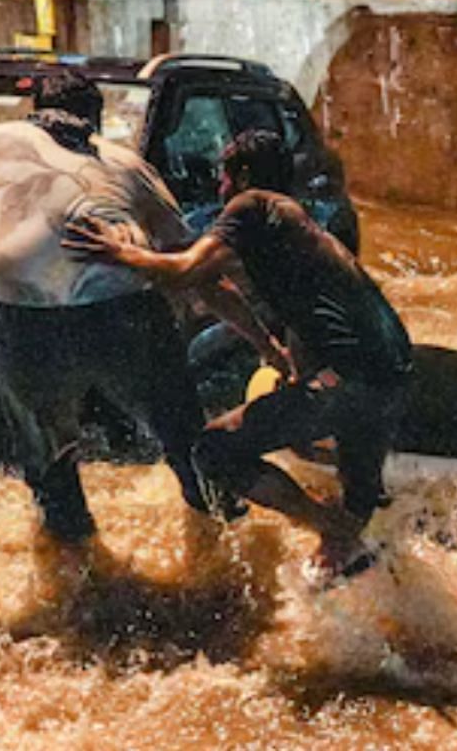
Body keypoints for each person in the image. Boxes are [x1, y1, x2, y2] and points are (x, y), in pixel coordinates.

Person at [0, 70, 226, 545]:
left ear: (35, 110)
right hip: (125, 313)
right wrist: (264, 342)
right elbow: (193, 266)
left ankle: (77, 580)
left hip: (30, 326)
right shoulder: (125, 164)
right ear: (94, 119)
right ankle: (227, 556)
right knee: (185, 440)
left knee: (49, 462)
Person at [64, 130, 412, 583]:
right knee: (357, 499)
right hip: (394, 376)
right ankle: (376, 601)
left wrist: (119, 252)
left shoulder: (252, 207)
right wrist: (271, 351)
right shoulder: (295, 223)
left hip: (350, 382)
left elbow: (186, 270)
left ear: (242, 175)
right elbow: (213, 283)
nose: (219, 187)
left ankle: (331, 527)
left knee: (215, 449)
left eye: (223, 177)